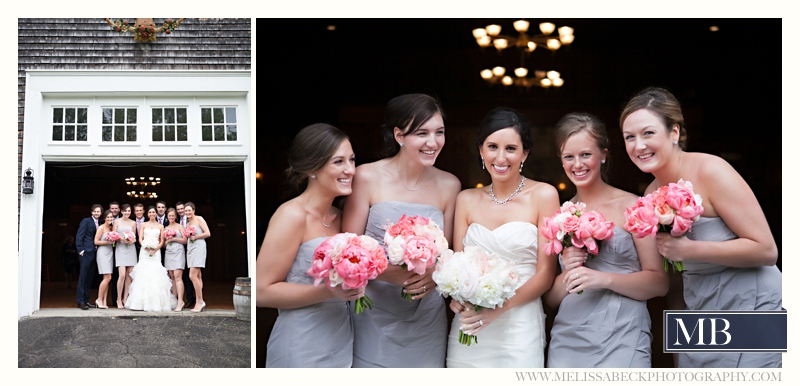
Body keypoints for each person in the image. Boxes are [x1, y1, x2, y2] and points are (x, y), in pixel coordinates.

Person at [619, 87, 781, 368]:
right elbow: (676, 280)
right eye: (629, 137)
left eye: (648, 133)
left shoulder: (711, 170)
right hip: (701, 313)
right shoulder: (650, 194)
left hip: (754, 305)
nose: (638, 145)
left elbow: (766, 250)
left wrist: (691, 249)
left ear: (673, 133)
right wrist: (678, 344)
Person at [342, 93, 461, 368]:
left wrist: (435, 273)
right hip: (372, 310)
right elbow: (347, 251)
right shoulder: (366, 177)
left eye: (439, 132)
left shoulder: (450, 185)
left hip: (426, 314)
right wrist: (391, 273)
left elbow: (451, 252)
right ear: (399, 135)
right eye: (422, 133)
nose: (433, 143)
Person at [544, 112, 668, 368]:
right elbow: (551, 300)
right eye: (569, 157)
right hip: (569, 339)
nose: (577, 164)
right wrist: (568, 270)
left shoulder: (633, 206)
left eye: (586, 154)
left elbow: (659, 282)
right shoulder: (560, 216)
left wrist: (603, 279)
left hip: (623, 334)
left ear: (603, 154)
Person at [444, 107, 557, 367]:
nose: (501, 157)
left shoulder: (544, 195)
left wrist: (499, 309)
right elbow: (458, 266)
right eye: (492, 147)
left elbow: (545, 274)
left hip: (519, 325)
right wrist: (456, 298)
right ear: (481, 151)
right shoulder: (466, 199)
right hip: (470, 323)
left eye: (511, 148)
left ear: (524, 154)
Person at [258, 123, 361, 368]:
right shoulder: (292, 215)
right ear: (312, 168)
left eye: (352, 160)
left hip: (341, 340)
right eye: (339, 162)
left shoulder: (342, 217)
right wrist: (329, 291)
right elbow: (262, 292)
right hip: (301, 344)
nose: (350, 170)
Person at [125, 206, 177, 312]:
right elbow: (140, 238)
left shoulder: (161, 226)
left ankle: (157, 303)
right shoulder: (144, 225)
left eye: (154, 212)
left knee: (155, 273)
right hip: (144, 251)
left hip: (156, 252)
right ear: (147, 214)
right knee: (143, 273)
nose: (152, 214)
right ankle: (139, 303)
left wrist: (156, 249)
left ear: (156, 213)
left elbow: (162, 240)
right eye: (150, 212)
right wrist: (145, 246)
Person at [184, 201, 211, 312]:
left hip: (199, 247)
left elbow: (207, 233)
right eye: (186, 211)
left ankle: (199, 301)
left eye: (189, 210)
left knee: (192, 276)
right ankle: (200, 300)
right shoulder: (188, 223)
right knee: (198, 276)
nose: (187, 212)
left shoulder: (199, 219)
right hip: (191, 248)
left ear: (193, 210)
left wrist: (196, 237)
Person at [76, 204, 102, 310]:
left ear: (101, 213)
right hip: (86, 253)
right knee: (83, 277)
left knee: (90, 278)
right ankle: (80, 301)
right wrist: (81, 250)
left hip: (95, 253)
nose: (96, 213)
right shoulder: (86, 221)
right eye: (95, 211)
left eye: (98, 211)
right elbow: (79, 236)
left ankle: (86, 300)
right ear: (92, 212)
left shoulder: (101, 223)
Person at [113, 204, 138, 308]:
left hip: (130, 250)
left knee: (129, 275)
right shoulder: (117, 222)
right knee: (122, 275)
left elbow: (135, 238)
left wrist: (131, 241)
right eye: (125, 211)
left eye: (129, 211)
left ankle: (125, 298)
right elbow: (114, 235)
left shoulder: (133, 223)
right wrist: (122, 239)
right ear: (121, 211)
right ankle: (118, 299)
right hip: (120, 249)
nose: (127, 212)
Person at [164, 207, 188, 311]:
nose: (171, 217)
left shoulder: (180, 227)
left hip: (178, 252)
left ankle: (180, 301)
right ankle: (174, 300)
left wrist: (174, 238)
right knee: (172, 277)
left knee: (178, 277)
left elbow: (185, 240)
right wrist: (167, 240)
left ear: (176, 216)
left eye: (173, 215)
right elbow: (164, 244)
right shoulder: (165, 228)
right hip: (169, 252)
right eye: (169, 216)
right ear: (167, 216)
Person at [93, 210, 116, 309]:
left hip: (110, 253)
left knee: (106, 278)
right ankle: (99, 299)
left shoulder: (111, 228)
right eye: (108, 217)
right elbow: (96, 241)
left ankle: (104, 301)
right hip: (102, 253)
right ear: (104, 218)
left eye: (111, 217)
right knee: (108, 277)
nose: (110, 219)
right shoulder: (101, 228)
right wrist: (108, 243)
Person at [176, 201, 196, 308]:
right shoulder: (176, 220)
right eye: (178, 209)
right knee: (182, 276)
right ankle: (188, 299)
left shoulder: (191, 220)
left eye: (181, 209)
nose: (180, 211)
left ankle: (195, 299)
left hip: (191, 249)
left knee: (192, 275)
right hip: (178, 251)